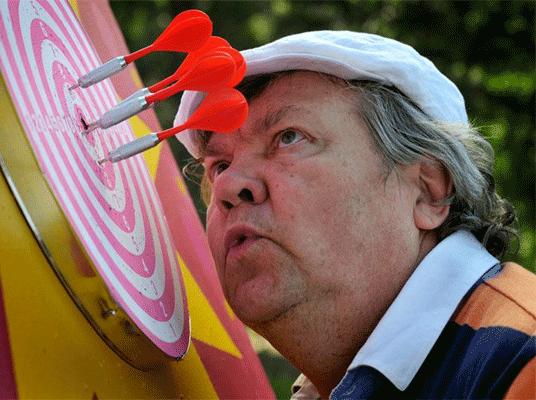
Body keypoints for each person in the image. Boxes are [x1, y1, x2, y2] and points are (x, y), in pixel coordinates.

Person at [174, 31, 536, 399]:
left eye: (288, 137)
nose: (227, 185)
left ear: (429, 192)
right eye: (219, 166)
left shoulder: (522, 361)